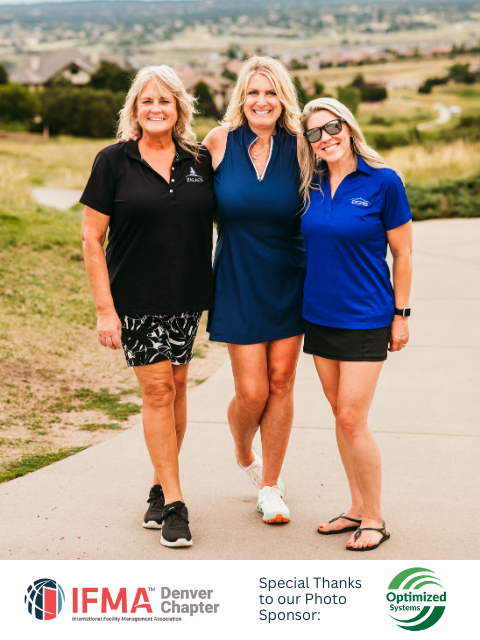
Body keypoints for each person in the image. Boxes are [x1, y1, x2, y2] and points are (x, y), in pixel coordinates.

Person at [80, 65, 216, 548]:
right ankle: (176, 504)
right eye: (146, 101)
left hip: (188, 296)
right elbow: (91, 238)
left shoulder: (200, 160)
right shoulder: (113, 161)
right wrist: (104, 309)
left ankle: (160, 484)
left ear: (179, 108)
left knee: (177, 387)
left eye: (164, 101)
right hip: (136, 297)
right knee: (158, 391)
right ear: (134, 109)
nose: (155, 109)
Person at [299, 98, 412, 551]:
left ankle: (376, 517)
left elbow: (403, 254)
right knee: (340, 417)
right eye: (314, 134)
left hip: (366, 316)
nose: (324, 138)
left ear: (347, 127)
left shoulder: (383, 182)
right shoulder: (310, 184)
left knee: (351, 416)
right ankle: (355, 506)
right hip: (318, 316)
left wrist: (400, 316)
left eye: (331, 128)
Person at [203, 57, 306, 524]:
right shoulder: (219, 142)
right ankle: (245, 453)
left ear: (283, 98)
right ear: (241, 99)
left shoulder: (302, 146)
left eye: (270, 93)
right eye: (253, 93)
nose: (262, 101)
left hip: (290, 278)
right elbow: (177, 183)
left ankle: (271, 487)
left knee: (281, 382)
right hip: (238, 278)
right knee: (252, 391)